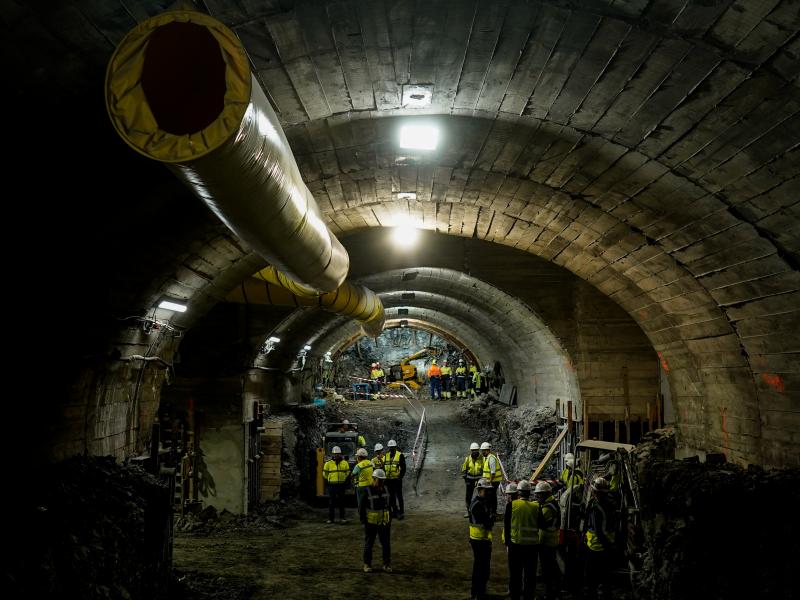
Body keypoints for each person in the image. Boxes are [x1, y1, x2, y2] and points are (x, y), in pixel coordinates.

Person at [505, 479, 540, 600]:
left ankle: (514, 596)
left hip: (515, 546)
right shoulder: (536, 506)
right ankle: (528, 596)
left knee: (515, 575)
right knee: (530, 576)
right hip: (531, 547)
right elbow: (542, 524)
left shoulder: (512, 505)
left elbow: (507, 526)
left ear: (518, 492)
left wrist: (508, 543)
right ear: (530, 493)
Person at [584, 477, 618, 600]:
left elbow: (599, 531)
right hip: (608, 544)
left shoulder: (596, 508)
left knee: (591, 578)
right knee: (606, 577)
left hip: (596, 546)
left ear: (595, 492)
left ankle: (592, 595)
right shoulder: (610, 504)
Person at [468, 478, 495, 600]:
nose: (488, 493)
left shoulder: (482, 502)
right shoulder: (477, 505)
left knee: (481, 567)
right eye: (486, 490)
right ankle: (478, 593)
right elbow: (487, 522)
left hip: (481, 539)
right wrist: (491, 519)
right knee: (481, 568)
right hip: (478, 540)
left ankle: (479, 591)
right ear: (479, 490)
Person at [361, 468, 392, 573]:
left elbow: (390, 506)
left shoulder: (387, 489)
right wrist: (364, 521)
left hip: (384, 523)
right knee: (369, 543)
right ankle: (367, 564)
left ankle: (386, 564)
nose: (381, 482)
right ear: (374, 479)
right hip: (371, 524)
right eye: (379, 480)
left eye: (383, 480)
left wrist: (390, 519)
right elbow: (362, 508)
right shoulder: (367, 491)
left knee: (386, 544)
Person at [534, 481, 561, 600]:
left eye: (538, 495)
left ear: (545, 494)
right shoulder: (550, 503)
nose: (536, 497)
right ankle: (555, 588)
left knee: (548, 568)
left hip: (547, 541)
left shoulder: (548, 508)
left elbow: (540, 522)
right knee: (551, 565)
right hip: (550, 540)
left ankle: (550, 592)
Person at [322, 446, 350, 524]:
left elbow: (348, 472)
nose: (336, 455)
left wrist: (343, 478)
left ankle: (342, 518)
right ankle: (331, 519)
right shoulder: (328, 463)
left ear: (340, 454)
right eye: (335, 454)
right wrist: (330, 479)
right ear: (333, 454)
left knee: (342, 502)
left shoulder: (345, 462)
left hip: (341, 485)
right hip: (332, 485)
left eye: (338, 454)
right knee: (331, 502)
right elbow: (324, 473)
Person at [384, 439, 406, 520]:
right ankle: (394, 511)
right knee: (391, 497)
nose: (391, 449)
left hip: (397, 480)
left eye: (393, 447)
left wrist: (400, 477)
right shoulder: (386, 456)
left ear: (395, 447)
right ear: (388, 448)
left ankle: (402, 512)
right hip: (389, 480)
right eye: (390, 447)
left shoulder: (400, 455)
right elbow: (383, 467)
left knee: (399, 496)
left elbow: (403, 468)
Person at [461, 442, 485, 517]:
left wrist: (483, 480)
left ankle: (481, 510)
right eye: (473, 450)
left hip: (479, 480)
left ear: (478, 450)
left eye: (475, 450)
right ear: (471, 451)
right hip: (470, 479)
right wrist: (466, 479)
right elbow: (464, 469)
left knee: (481, 495)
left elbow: (485, 469)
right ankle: (468, 512)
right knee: (468, 496)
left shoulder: (482, 459)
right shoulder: (468, 459)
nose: (474, 451)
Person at [480, 441, 502, 519]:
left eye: (484, 450)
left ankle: (492, 513)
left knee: (490, 497)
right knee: (491, 497)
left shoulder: (491, 458)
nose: (482, 452)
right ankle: (492, 512)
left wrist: (490, 481)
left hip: (493, 481)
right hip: (490, 482)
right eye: (482, 450)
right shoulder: (486, 458)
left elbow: (493, 473)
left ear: (488, 450)